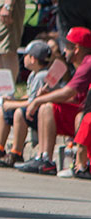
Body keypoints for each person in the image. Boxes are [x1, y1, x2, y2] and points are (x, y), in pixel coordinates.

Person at [13, 25, 91, 174]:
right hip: (81, 111)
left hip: (84, 115)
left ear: (76, 48)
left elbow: (68, 92)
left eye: (67, 47)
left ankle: (48, 160)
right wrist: (48, 96)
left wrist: (38, 100)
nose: (64, 51)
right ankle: (43, 157)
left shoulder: (88, 63)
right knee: (47, 106)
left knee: (47, 106)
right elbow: (75, 98)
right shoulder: (81, 64)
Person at [0, 39, 55, 167]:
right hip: (33, 109)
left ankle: (16, 152)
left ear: (33, 59)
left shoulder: (41, 76)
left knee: (19, 113)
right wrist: (13, 100)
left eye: (26, 55)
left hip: (39, 113)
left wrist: (12, 105)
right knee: (3, 110)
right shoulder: (33, 74)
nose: (24, 58)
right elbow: (30, 96)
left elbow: (33, 102)